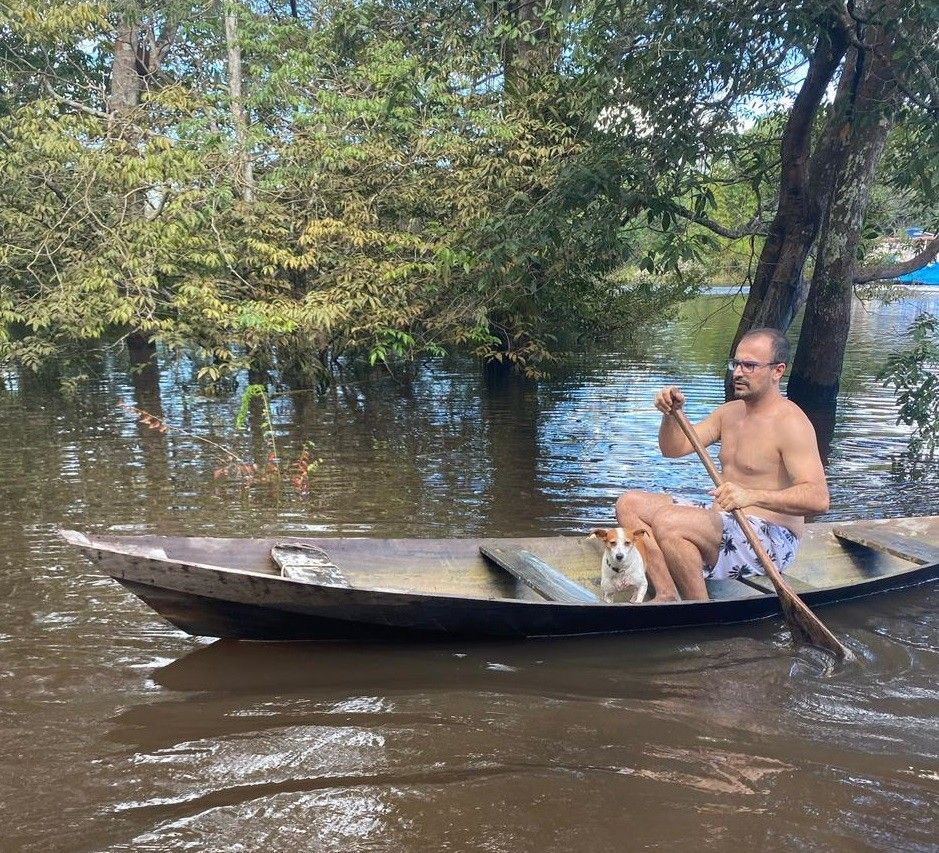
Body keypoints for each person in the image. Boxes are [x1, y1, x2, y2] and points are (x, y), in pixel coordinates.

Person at [616, 327, 829, 602]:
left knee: (670, 522)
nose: (738, 372)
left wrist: (751, 496)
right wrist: (671, 415)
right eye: (736, 364)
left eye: (749, 365)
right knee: (629, 504)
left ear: (777, 371)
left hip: (769, 538)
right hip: (724, 521)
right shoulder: (729, 413)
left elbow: (818, 499)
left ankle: (699, 609)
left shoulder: (791, 423)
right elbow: (673, 449)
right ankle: (666, 593)